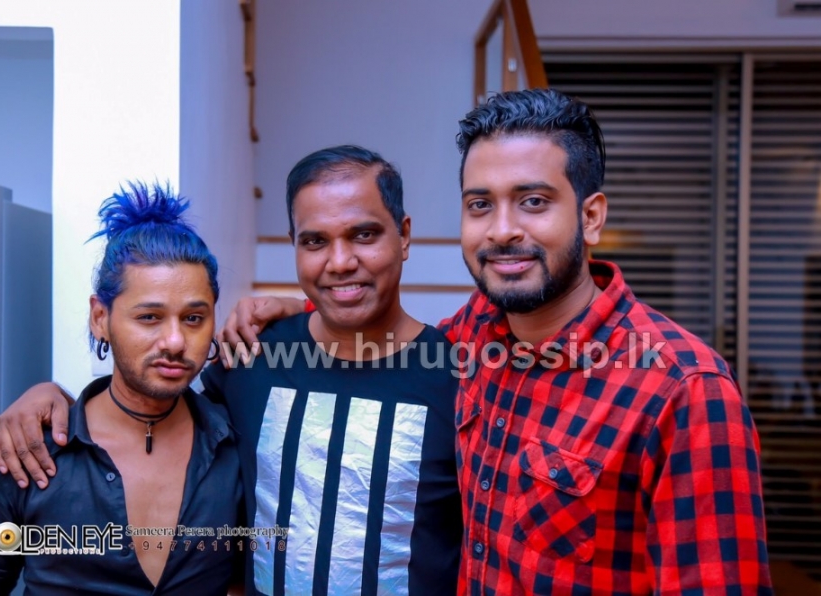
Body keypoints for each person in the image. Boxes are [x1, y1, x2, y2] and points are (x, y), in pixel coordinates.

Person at [218, 90, 774, 594]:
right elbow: (377, 332)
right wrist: (300, 308)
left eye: (533, 201)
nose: (502, 229)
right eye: (480, 204)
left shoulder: (684, 390)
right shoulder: (475, 334)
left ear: (590, 217)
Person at [0, 147, 463, 596]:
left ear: (404, 235)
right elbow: (150, 408)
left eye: (364, 235)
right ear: (294, 247)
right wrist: (50, 397)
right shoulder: (252, 358)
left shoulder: (460, 378)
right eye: (315, 241)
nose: (340, 262)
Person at [0, 183, 243, 595]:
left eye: (194, 318)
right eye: (149, 317)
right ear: (100, 317)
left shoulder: (235, 445)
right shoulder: (30, 450)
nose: (176, 341)